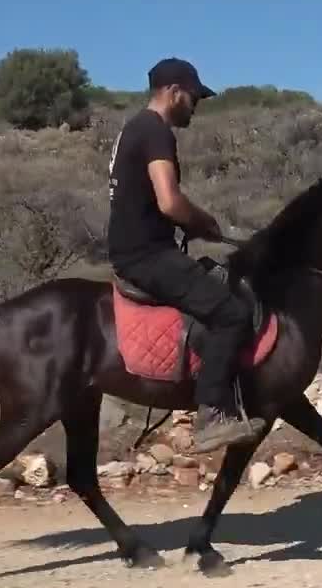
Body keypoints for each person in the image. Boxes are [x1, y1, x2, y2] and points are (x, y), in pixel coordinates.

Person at [106, 57, 263, 454]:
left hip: (135, 250)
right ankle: (212, 414)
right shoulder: (156, 132)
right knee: (231, 313)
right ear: (174, 92)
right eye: (194, 98)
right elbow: (169, 201)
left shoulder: (133, 128)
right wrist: (201, 220)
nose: (196, 106)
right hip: (145, 256)